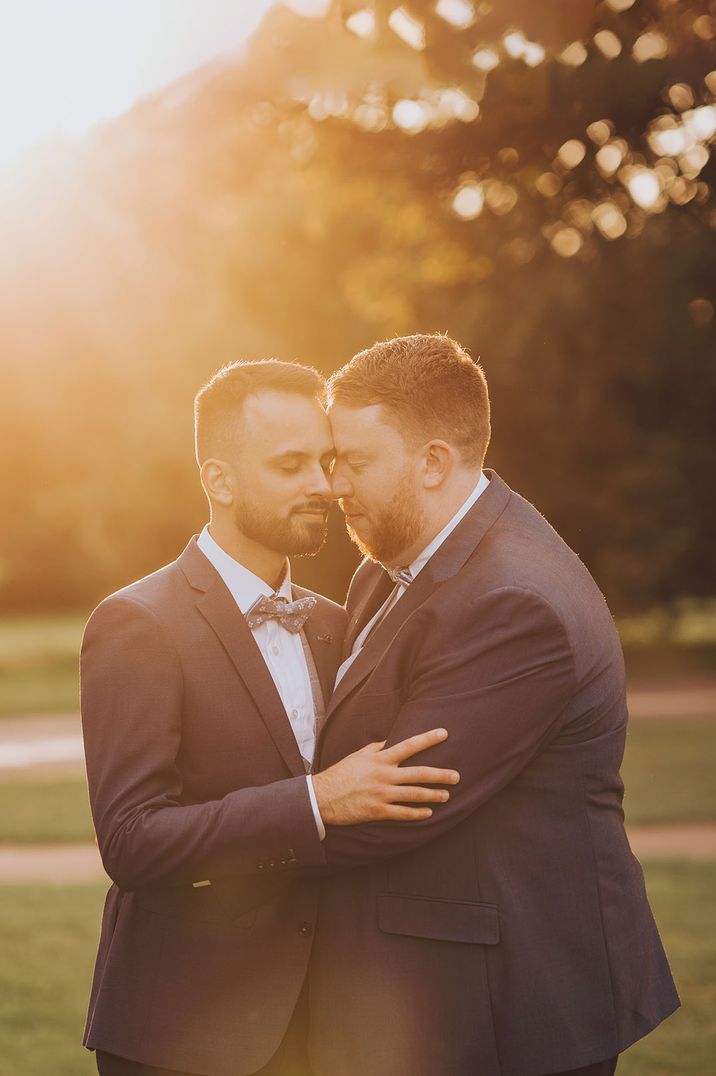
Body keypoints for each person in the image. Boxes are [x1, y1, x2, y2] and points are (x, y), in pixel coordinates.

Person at [308, 334, 680, 1076]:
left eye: (354, 459)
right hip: (437, 981)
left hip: (513, 1003)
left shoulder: (513, 599)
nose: (332, 482)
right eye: (330, 458)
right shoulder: (388, 567)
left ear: (435, 462)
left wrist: (224, 826)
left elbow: (398, 808)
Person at [80, 358, 459, 1076]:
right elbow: (131, 842)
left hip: (328, 1026)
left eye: (326, 460)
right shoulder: (136, 624)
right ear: (218, 480)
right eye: (291, 465)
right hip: (183, 1033)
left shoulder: (341, 624)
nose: (323, 485)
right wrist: (315, 802)